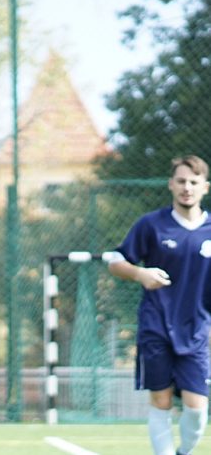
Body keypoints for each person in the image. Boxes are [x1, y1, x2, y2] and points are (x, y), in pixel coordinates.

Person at [108, 155, 211, 455]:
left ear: (205, 187)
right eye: (181, 181)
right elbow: (116, 261)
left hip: (197, 333)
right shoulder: (151, 225)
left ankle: (183, 452)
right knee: (161, 401)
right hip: (156, 327)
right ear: (171, 185)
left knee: (196, 408)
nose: (186, 188)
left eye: (193, 182)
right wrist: (140, 273)